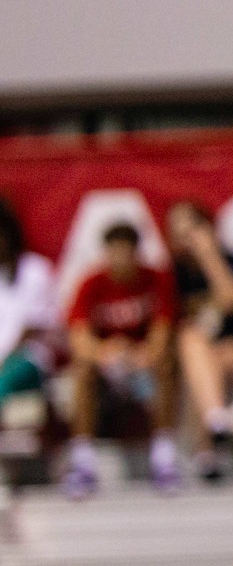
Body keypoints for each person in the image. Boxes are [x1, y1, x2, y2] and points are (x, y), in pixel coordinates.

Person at [63, 221, 180, 496]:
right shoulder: (91, 284)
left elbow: (162, 333)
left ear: (136, 253)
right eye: (114, 252)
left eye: (126, 252)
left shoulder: (156, 280)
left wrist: (142, 355)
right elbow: (80, 338)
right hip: (107, 367)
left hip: (143, 367)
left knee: (166, 366)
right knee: (81, 371)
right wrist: (106, 354)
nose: (120, 260)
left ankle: (164, 457)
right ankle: (83, 461)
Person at [165, 201, 233, 482]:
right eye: (179, 232)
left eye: (192, 229)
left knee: (207, 364)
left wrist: (209, 256)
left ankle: (207, 447)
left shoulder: (228, 261)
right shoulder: (174, 274)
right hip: (194, 353)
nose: (186, 238)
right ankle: (216, 425)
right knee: (192, 341)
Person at [0, 198, 58, 407]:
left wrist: (3, 360)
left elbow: (32, 327)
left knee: (3, 381)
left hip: (29, 360)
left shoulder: (35, 270)